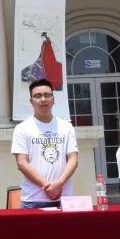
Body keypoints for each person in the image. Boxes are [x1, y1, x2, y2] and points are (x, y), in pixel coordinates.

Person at [11, 77, 79, 209]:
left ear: (54, 99)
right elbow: (21, 163)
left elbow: (73, 159)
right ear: (31, 101)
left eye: (47, 95)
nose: (43, 99)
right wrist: (47, 186)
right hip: (33, 200)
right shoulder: (22, 128)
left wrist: (59, 184)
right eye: (38, 96)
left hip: (64, 199)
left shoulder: (66, 127)